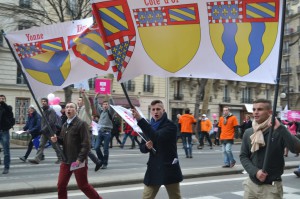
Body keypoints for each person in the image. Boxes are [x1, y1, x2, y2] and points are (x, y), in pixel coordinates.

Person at [240, 99, 300, 198]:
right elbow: (243, 156)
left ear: (270, 112)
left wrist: (281, 128)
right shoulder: (248, 132)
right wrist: (255, 172)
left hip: (271, 188)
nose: (255, 112)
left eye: (260, 109)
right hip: (251, 186)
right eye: (254, 109)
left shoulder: (278, 131)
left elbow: (296, 149)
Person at [50, 102, 102, 199]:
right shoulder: (65, 124)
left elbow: (86, 144)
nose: (68, 109)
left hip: (78, 161)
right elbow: (63, 140)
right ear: (65, 110)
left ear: (76, 110)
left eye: (71, 107)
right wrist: (57, 139)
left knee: (83, 186)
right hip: (66, 160)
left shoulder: (81, 124)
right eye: (67, 107)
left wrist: (80, 159)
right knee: (61, 185)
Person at [132, 100, 183, 199]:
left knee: (175, 197)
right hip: (154, 168)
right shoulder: (148, 126)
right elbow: (142, 148)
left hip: (169, 167)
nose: (156, 111)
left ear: (163, 111)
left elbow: (156, 136)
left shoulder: (170, 126)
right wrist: (147, 146)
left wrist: (140, 120)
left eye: (158, 109)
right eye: (153, 109)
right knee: (146, 197)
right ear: (151, 111)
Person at [28, 98, 62, 164]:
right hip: (45, 132)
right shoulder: (44, 110)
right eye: (42, 101)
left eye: (45, 101)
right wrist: (42, 129)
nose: (43, 102)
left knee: (55, 145)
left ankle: (61, 158)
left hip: (51, 131)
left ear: (47, 102)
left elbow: (51, 122)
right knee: (41, 145)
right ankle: (37, 159)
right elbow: (43, 122)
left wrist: (43, 129)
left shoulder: (51, 110)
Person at [77, 90, 102, 172]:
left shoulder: (87, 109)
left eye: (80, 100)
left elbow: (87, 103)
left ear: (83, 101)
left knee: (85, 148)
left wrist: (84, 95)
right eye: (78, 100)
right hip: (80, 130)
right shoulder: (78, 109)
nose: (78, 101)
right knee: (82, 148)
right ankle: (90, 163)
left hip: (86, 130)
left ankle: (96, 162)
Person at [94, 93, 114, 169]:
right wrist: (96, 97)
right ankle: (102, 160)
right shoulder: (101, 112)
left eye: (106, 104)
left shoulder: (110, 112)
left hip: (107, 132)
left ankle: (105, 163)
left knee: (105, 149)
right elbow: (96, 105)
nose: (105, 105)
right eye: (104, 104)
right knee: (96, 147)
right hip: (100, 132)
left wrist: (110, 98)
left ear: (108, 105)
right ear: (102, 105)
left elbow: (112, 106)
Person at [0, 95, 14, 174]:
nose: (1, 99)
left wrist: (3, 104)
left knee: (6, 151)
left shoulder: (8, 108)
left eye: (3, 99)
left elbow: (9, 111)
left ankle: (6, 167)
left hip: (4, 131)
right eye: (0, 98)